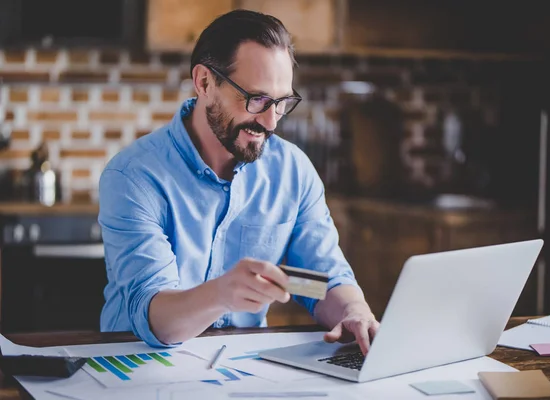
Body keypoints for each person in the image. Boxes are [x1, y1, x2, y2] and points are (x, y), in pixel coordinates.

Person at [98, 9, 379, 355]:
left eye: (281, 103)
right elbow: (154, 317)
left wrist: (354, 312)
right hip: (134, 363)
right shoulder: (133, 176)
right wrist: (220, 294)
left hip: (241, 366)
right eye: (257, 100)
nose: (271, 123)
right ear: (204, 83)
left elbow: (317, 282)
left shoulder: (293, 171)